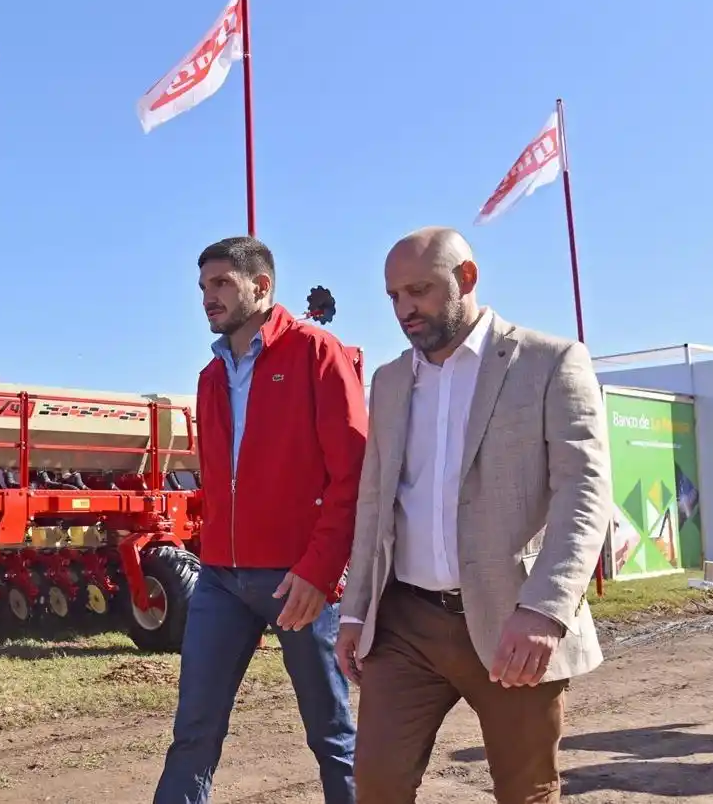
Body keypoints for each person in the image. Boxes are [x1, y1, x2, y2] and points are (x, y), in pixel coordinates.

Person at [336, 226, 612, 804]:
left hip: (511, 619)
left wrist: (544, 609)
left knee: (525, 791)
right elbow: (374, 502)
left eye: (419, 290)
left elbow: (584, 495)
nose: (405, 309)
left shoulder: (550, 362)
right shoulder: (388, 381)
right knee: (378, 786)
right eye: (393, 296)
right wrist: (355, 611)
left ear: (466, 278)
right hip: (404, 624)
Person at [153, 236, 368, 804]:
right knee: (193, 734)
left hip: (297, 581)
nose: (208, 298)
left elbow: (354, 474)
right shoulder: (208, 377)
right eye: (203, 287)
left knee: (332, 736)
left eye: (222, 283)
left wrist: (321, 573)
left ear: (262, 286)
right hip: (220, 579)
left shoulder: (317, 353)